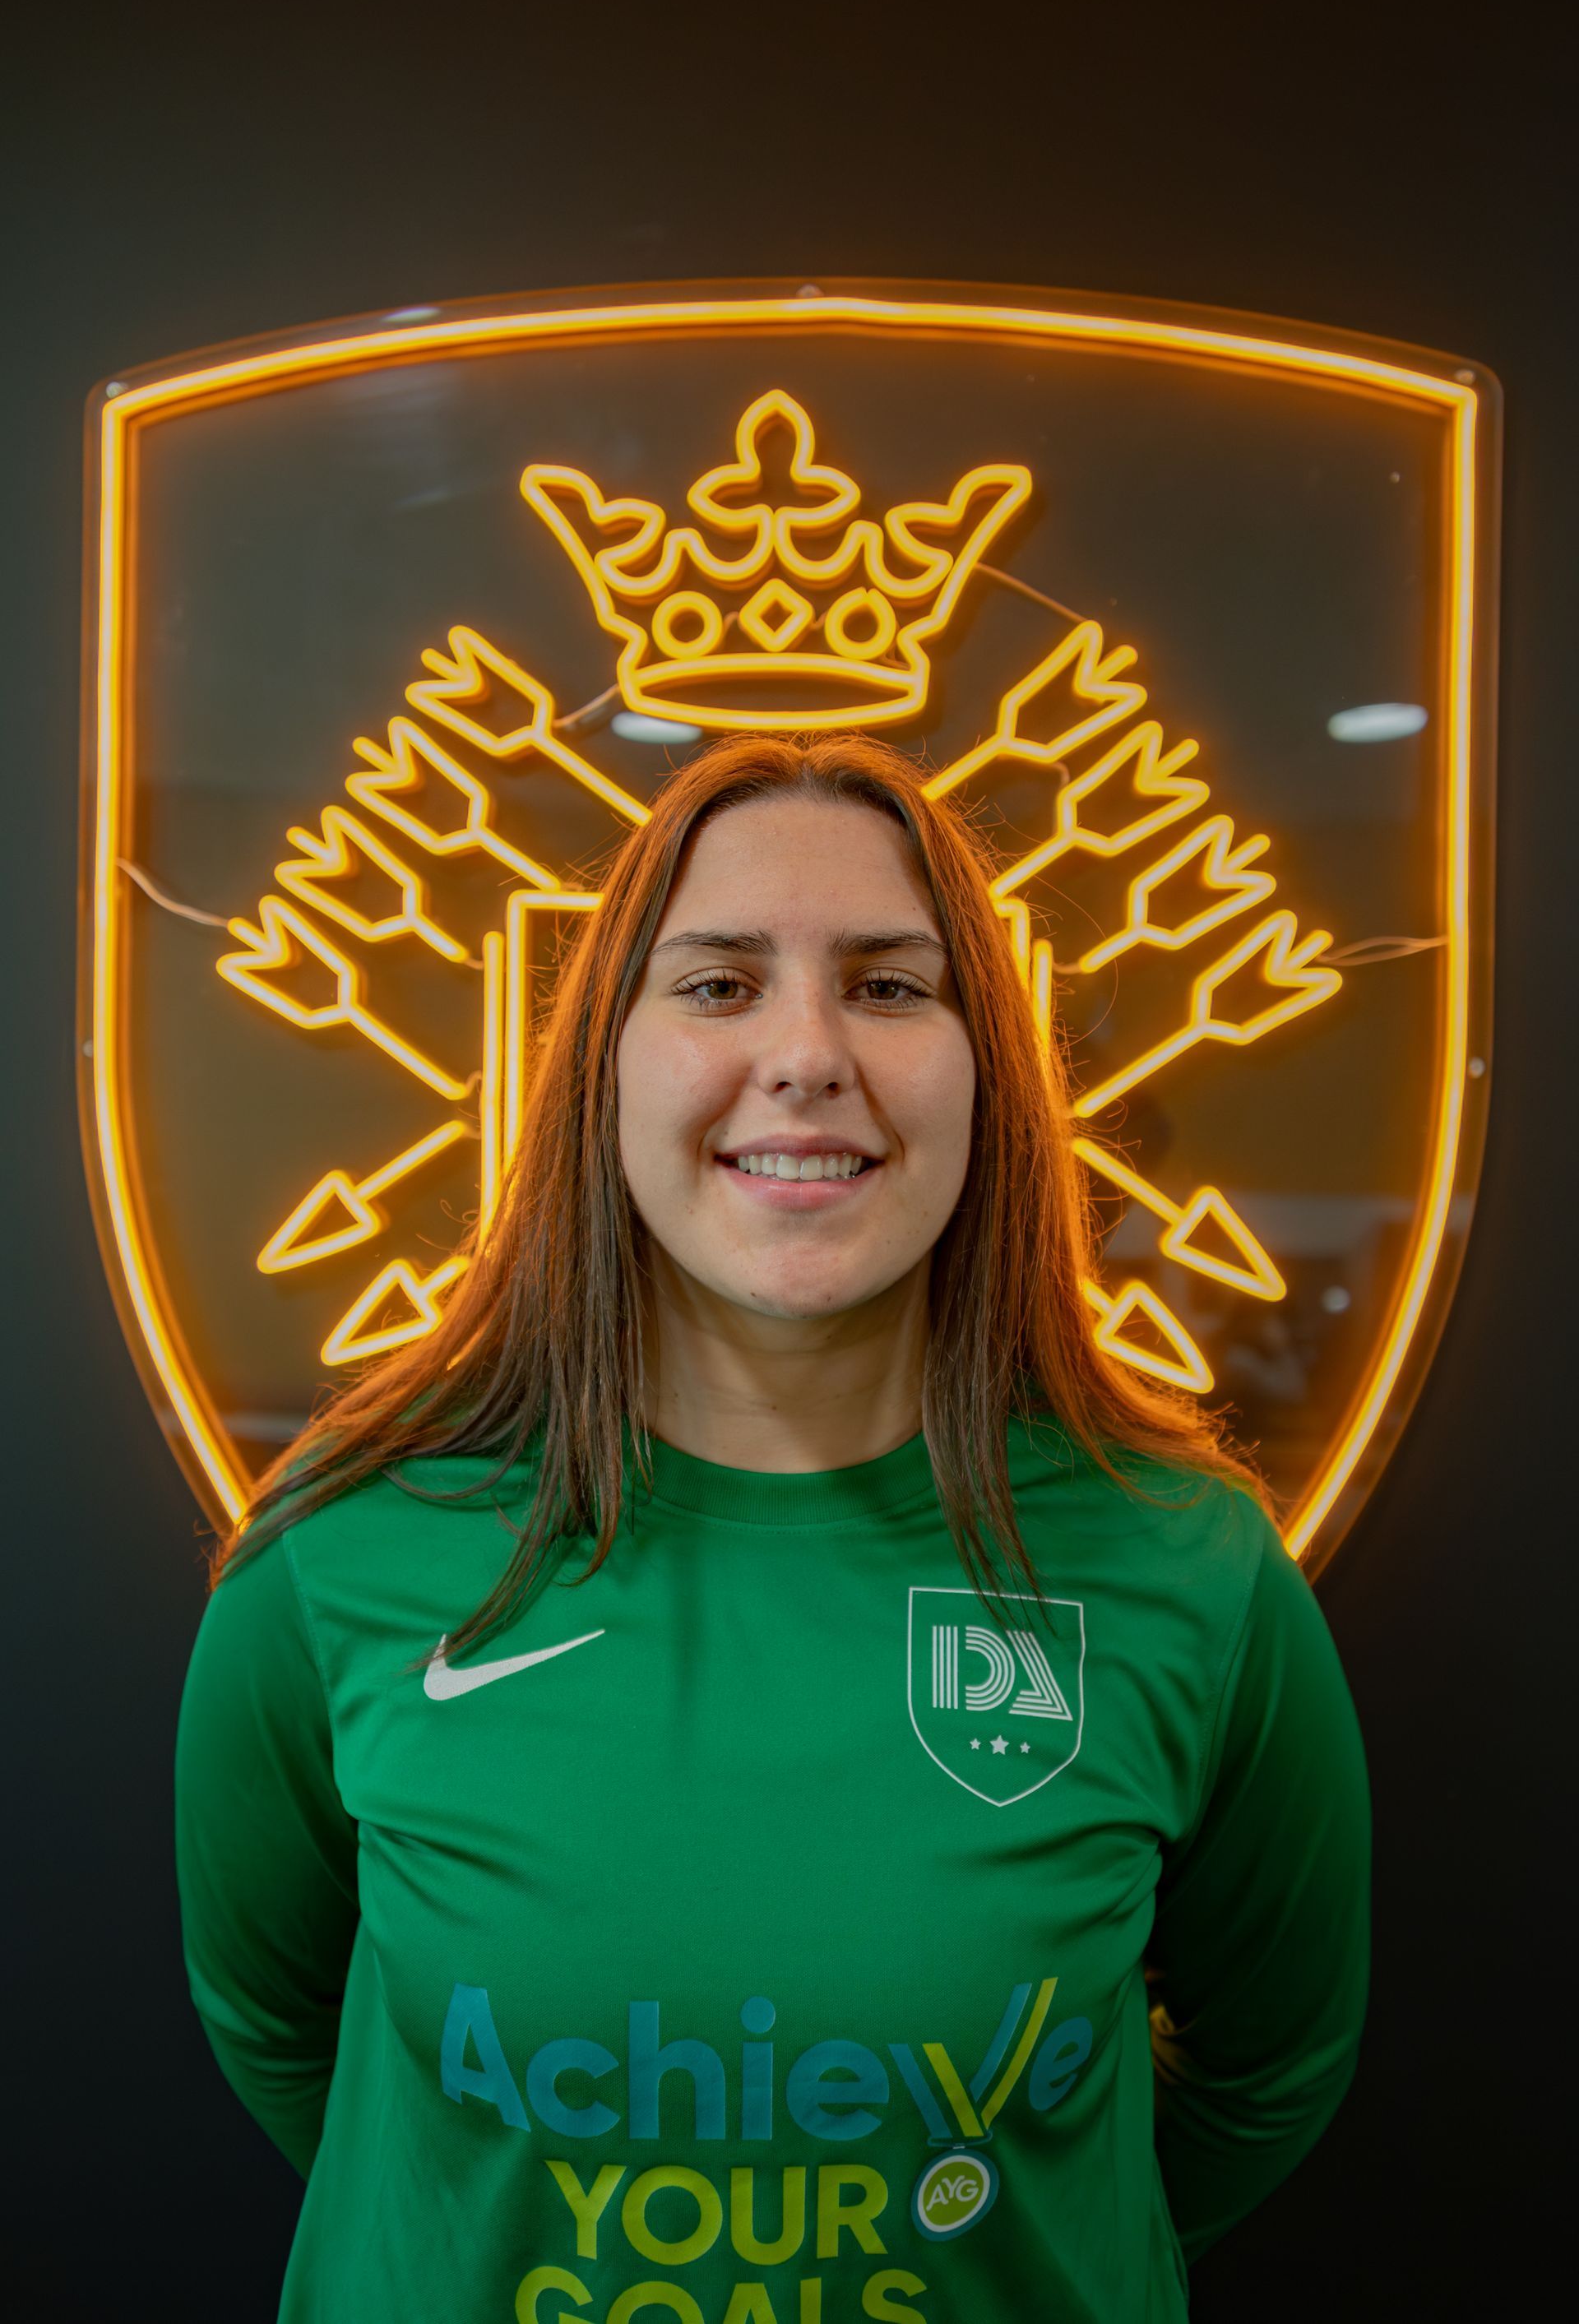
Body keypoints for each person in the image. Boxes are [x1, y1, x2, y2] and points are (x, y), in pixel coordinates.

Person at [175, 732, 1368, 2324]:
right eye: (720, 984)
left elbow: (1271, 2066)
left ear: (989, 1072)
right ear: (601, 1060)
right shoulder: (345, 1551)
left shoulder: (1189, 1567)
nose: (808, 1051)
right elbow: (284, 2033)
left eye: (888, 985)